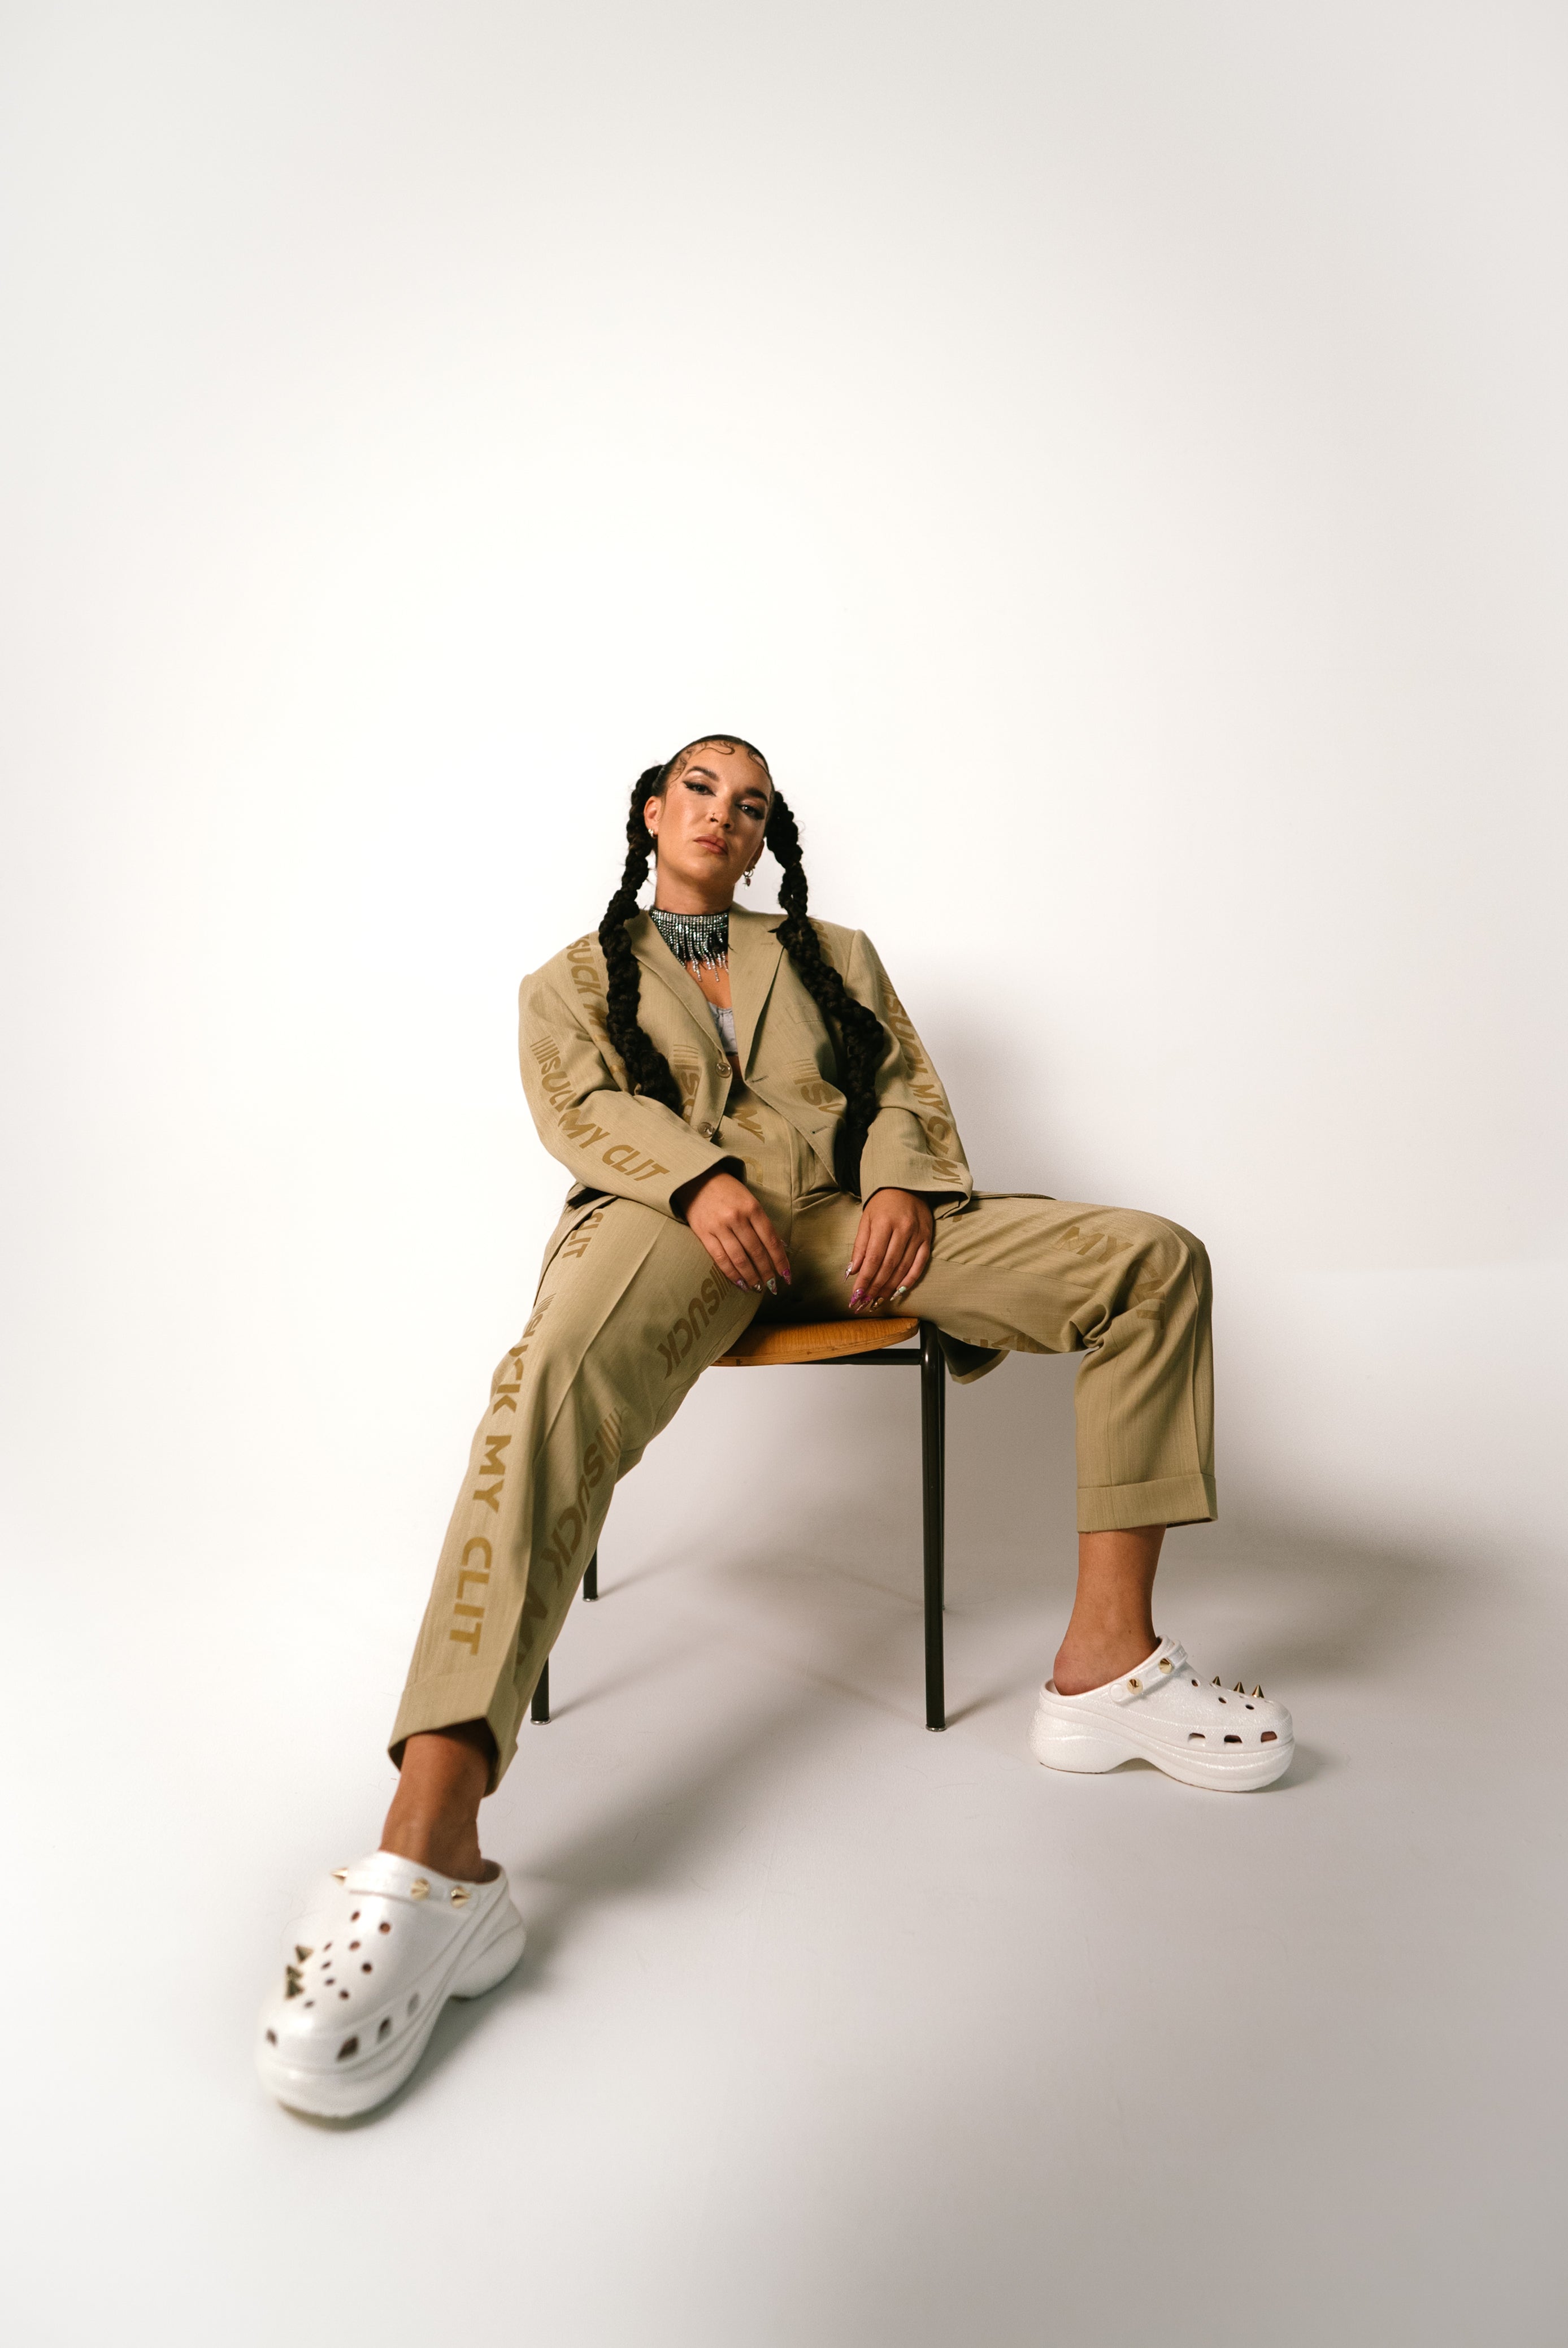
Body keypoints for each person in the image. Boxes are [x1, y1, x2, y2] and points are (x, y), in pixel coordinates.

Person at [257, 734, 1293, 2117]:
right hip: (666, 1224)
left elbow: (902, 1085)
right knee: (547, 1381)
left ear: (762, 838)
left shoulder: (835, 954)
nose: (723, 813)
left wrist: (903, 1183)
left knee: (1150, 1260)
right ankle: (432, 1843)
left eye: (749, 804)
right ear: (651, 810)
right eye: (700, 788)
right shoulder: (568, 979)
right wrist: (695, 1180)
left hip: (849, 1227)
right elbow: (581, 1107)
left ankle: (1105, 1665)